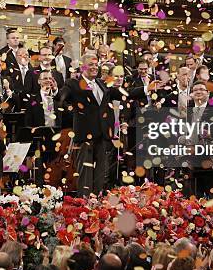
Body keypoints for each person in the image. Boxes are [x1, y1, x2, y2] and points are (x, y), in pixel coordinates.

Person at [57, 53, 147, 196]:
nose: (94, 67)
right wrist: (54, 90)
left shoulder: (102, 83)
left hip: (102, 135)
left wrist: (147, 89)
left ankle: (97, 203)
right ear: (82, 67)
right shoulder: (72, 83)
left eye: (96, 64)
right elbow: (61, 96)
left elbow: (126, 93)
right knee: (85, 173)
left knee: (100, 173)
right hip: (85, 136)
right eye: (90, 64)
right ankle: (84, 203)